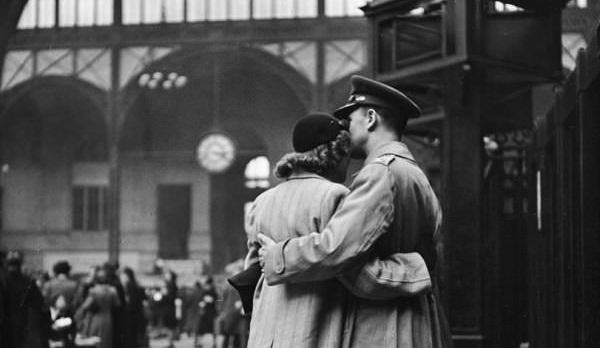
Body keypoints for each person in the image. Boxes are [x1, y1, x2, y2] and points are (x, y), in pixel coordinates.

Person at [258, 75, 451, 348]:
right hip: (420, 323)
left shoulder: (379, 173)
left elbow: (337, 249)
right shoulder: (415, 174)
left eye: (351, 118)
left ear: (371, 118)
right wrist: (418, 271)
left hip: (384, 328)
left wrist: (278, 256)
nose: (346, 128)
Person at [3, 250, 51, 348]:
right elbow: (41, 306)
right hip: (24, 326)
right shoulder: (28, 282)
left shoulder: (4, 281)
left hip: (6, 327)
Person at [80, 267, 121, 348]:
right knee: (106, 341)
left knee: (95, 340)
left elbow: (85, 306)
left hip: (95, 318)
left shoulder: (93, 291)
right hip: (108, 318)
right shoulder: (112, 290)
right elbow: (117, 304)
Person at [119, 267, 147, 348]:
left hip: (130, 316)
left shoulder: (129, 285)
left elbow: (130, 301)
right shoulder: (136, 284)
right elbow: (143, 298)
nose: (121, 277)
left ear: (127, 276)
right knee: (134, 338)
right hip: (138, 315)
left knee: (129, 338)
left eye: (122, 275)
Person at [194, 276, 218, 347]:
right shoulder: (204, 291)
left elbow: (216, 300)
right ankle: (199, 342)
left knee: (213, 329)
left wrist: (211, 300)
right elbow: (199, 300)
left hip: (211, 312)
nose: (207, 286)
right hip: (204, 312)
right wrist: (201, 302)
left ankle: (214, 343)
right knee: (201, 328)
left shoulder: (213, 291)